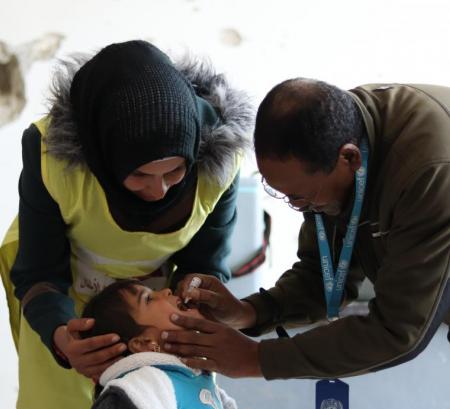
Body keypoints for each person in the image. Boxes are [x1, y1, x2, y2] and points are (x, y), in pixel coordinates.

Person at [0, 40, 252, 409]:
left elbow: (205, 265)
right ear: (106, 158)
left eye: (174, 171)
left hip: (164, 346)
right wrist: (64, 339)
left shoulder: (218, 160)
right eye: (139, 176)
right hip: (65, 323)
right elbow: (39, 273)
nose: (159, 190)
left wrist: (192, 308)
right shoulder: (53, 157)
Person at [160, 79, 450, 381]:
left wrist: (257, 358)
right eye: (280, 193)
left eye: (300, 197)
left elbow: (398, 330)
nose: (298, 207)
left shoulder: (429, 173)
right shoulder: (331, 137)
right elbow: (322, 276)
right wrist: (249, 312)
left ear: (349, 158)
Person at [76, 279, 237, 409]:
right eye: (148, 299)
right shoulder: (138, 392)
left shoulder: (194, 376)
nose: (167, 291)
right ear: (144, 342)